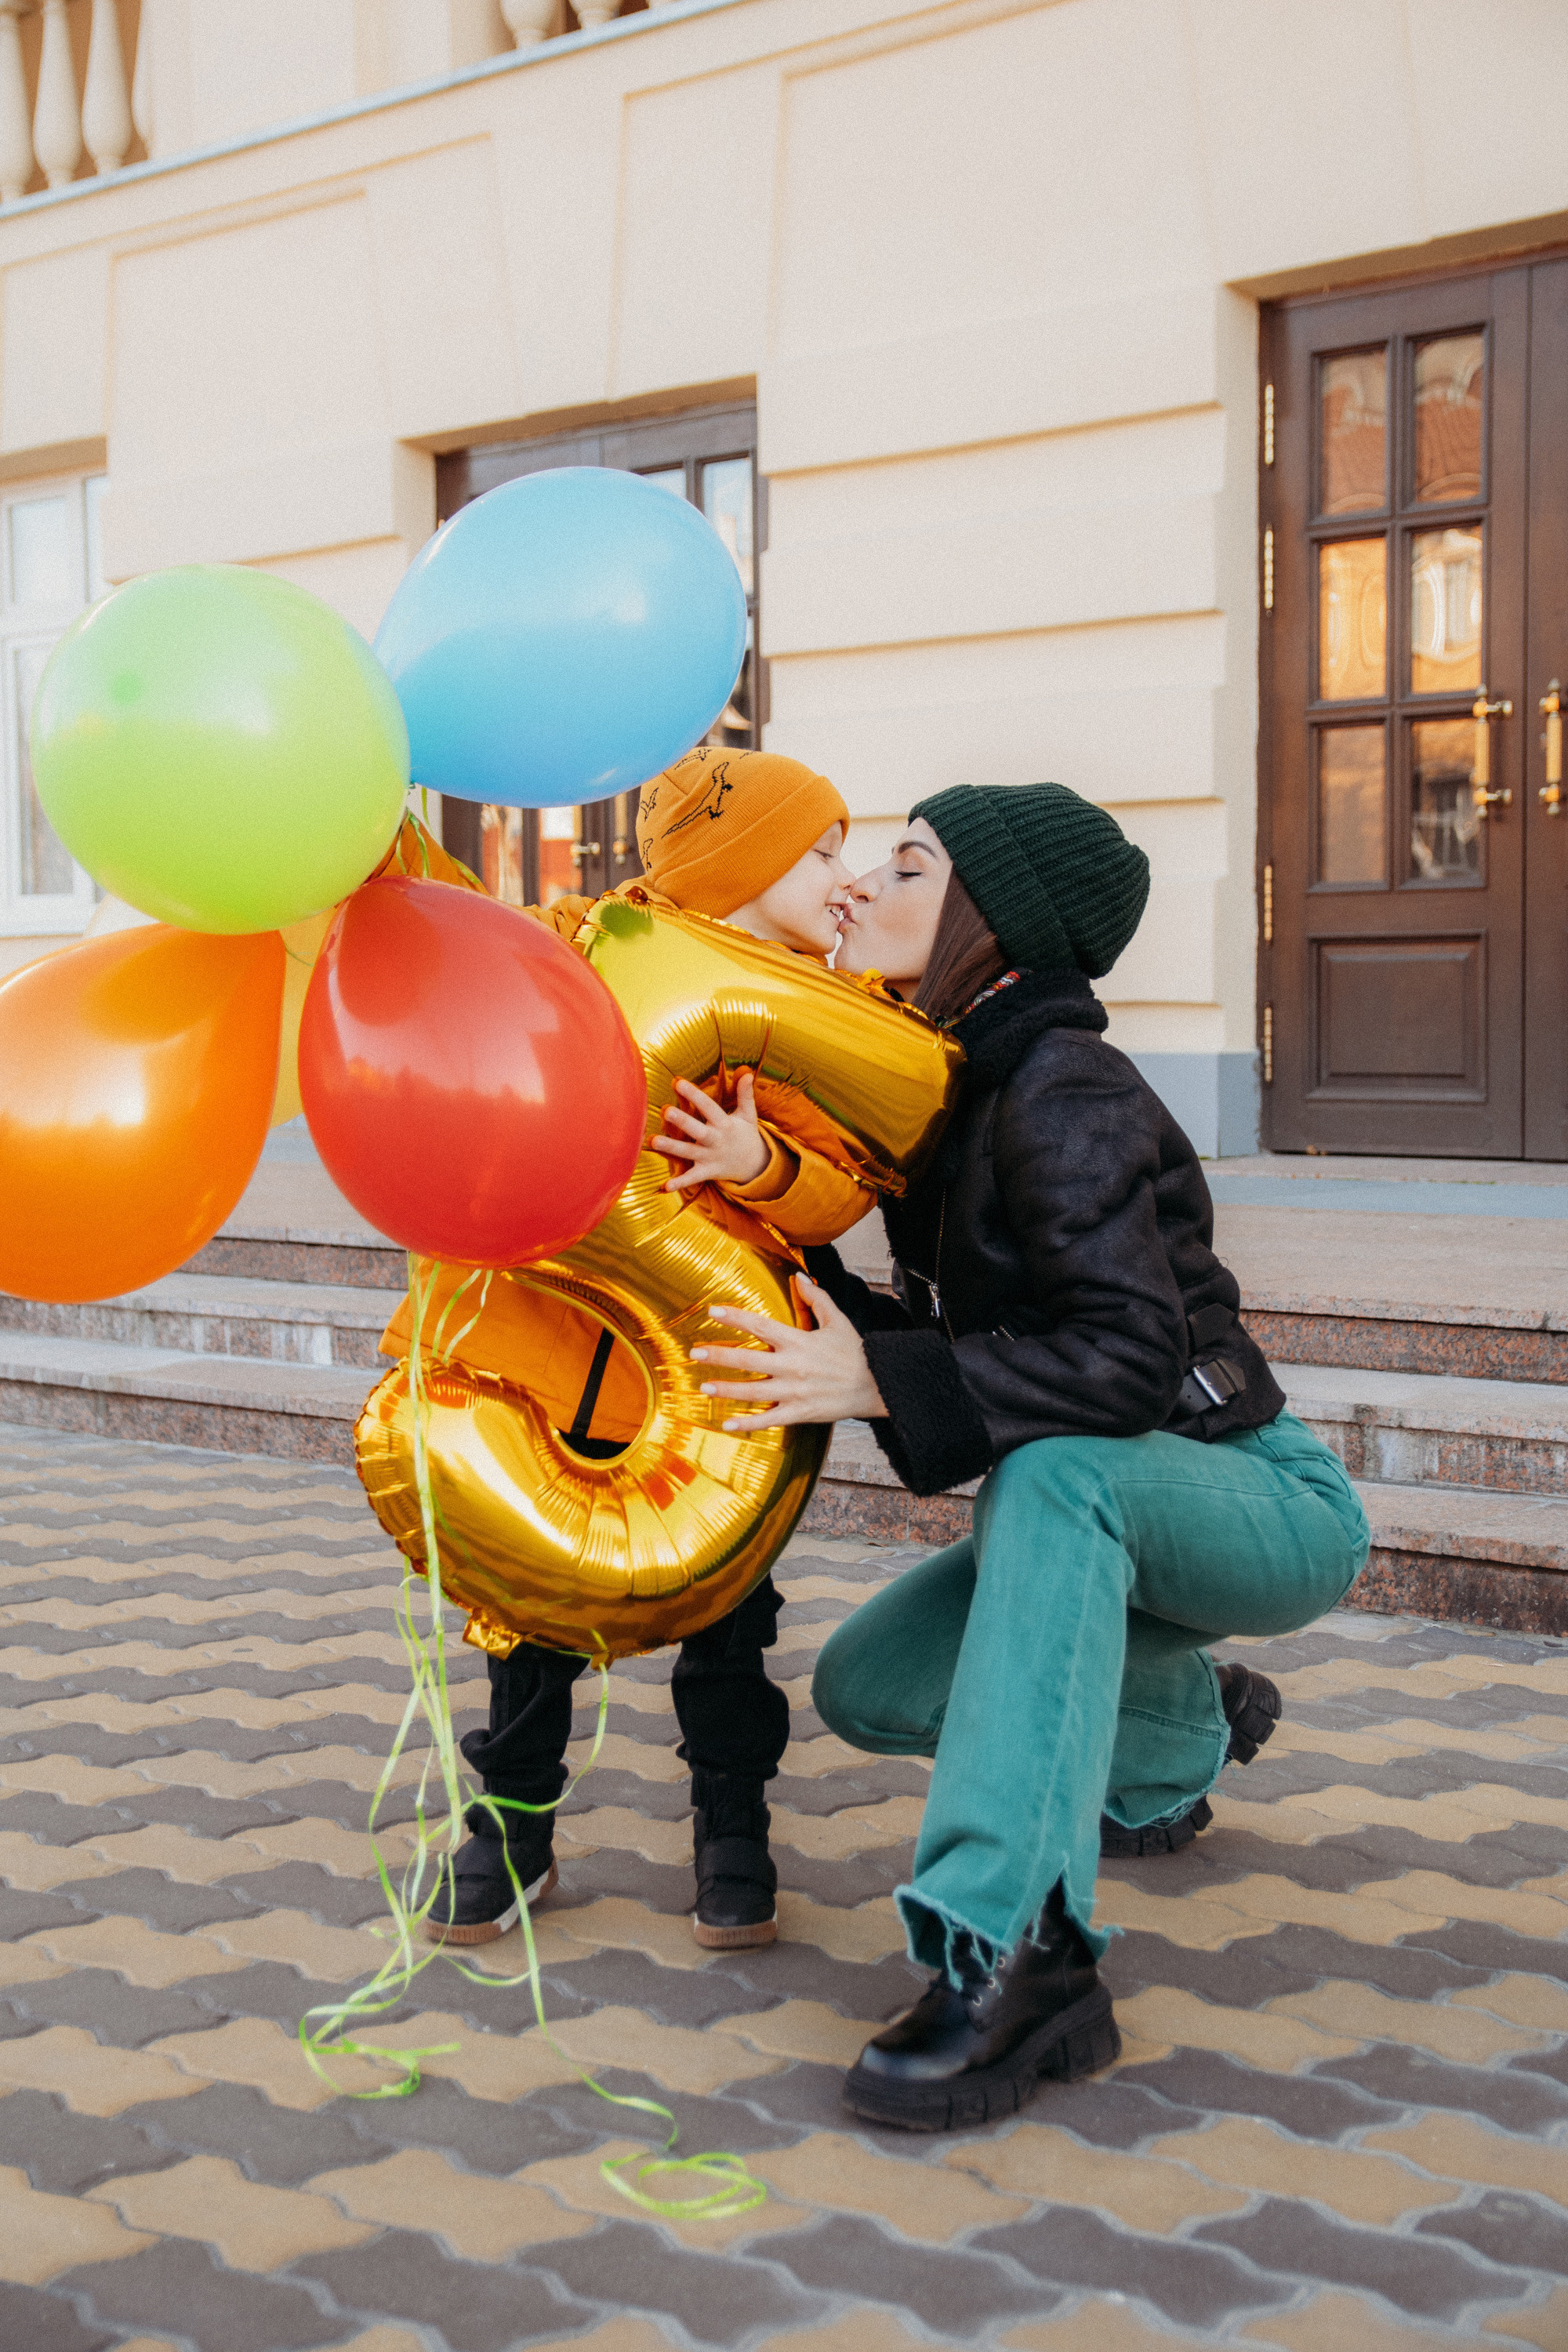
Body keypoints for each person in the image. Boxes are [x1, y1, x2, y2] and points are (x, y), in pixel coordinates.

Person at [687, 782, 1370, 2132]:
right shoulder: (957, 1086)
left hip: (1261, 1498)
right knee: (866, 1684)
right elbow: (940, 1336)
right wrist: (773, 1187)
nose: (862, 888)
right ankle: (1182, 1722)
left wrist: (878, 1380)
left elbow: (1120, 1363)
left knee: (1049, 1480)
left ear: (986, 919)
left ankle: (1013, 1956)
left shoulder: (1063, 1088)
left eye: (908, 865)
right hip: (1128, 1505)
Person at [383, 748, 881, 1954]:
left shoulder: (815, 1005)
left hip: (721, 1378)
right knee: (530, 1616)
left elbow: (848, 1185)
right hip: (547, 1353)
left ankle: (731, 1828)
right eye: (821, 849)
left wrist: (763, 1168)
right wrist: (363, 816)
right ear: (746, 859)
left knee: (729, 1615)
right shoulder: (580, 945)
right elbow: (457, 933)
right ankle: (509, 1828)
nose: (847, 876)